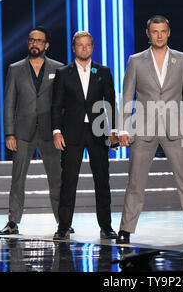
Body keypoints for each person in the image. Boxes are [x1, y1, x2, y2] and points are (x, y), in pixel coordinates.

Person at [117, 15, 183, 244]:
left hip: (176, 127)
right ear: (147, 34)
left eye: (163, 31)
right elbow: (127, 94)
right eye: (154, 31)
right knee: (135, 182)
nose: (159, 35)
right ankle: (125, 230)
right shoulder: (136, 60)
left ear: (168, 32)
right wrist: (122, 129)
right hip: (143, 128)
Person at [51, 31, 119, 240]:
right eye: (80, 45)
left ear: (92, 46)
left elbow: (110, 102)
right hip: (71, 133)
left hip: (98, 132)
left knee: (102, 180)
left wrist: (114, 130)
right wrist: (56, 131)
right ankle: (63, 227)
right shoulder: (63, 73)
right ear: (74, 47)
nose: (84, 49)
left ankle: (106, 226)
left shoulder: (103, 71)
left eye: (88, 45)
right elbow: (56, 105)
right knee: (68, 181)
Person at [0, 26, 63, 235]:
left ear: (46, 45)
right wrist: (9, 133)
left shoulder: (58, 68)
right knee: (17, 178)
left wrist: (60, 130)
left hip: (50, 132)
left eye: (38, 41)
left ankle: (63, 221)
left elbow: (62, 103)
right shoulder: (15, 68)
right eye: (31, 40)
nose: (34, 44)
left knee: (56, 179)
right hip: (22, 134)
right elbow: (9, 102)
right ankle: (13, 221)